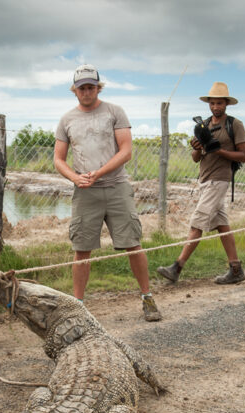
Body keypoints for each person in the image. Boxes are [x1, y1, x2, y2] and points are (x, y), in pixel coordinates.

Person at [54, 64, 162, 322]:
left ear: (98, 88)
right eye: (82, 88)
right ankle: (78, 306)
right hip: (85, 193)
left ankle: (147, 297)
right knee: (81, 249)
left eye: (91, 87)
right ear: (75, 90)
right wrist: (75, 177)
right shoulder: (67, 119)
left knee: (133, 244)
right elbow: (58, 159)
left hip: (116, 187)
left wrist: (99, 173)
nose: (87, 92)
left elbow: (126, 151)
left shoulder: (115, 112)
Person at [156, 82, 245, 285]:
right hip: (205, 179)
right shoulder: (203, 125)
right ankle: (236, 269)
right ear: (209, 104)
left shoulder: (234, 125)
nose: (216, 107)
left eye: (220, 103)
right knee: (222, 225)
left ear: (226, 104)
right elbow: (195, 158)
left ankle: (176, 268)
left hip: (220, 178)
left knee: (197, 223)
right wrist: (197, 147)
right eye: (213, 103)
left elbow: (243, 156)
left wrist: (220, 151)